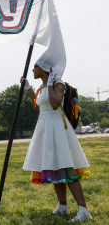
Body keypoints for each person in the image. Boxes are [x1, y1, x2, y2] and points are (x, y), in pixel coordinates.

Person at [22, 64, 91, 222]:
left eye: (36, 67)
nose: (33, 70)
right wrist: (28, 88)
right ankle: (62, 206)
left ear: (45, 69)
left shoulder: (58, 84)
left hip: (57, 129)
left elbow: (54, 104)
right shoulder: (42, 86)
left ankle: (83, 209)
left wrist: (50, 84)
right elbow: (39, 102)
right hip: (45, 129)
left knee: (66, 166)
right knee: (53, 166)